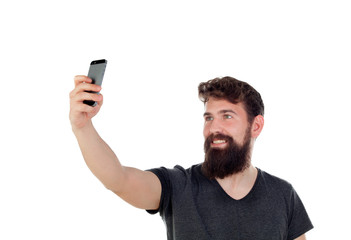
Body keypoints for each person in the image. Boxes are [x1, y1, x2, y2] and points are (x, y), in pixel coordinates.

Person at [69, 75, 313, 240]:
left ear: (256, 126)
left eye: (227, 116)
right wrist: (82, 127)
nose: (213, 128)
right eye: (208, 118)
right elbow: (118, 179)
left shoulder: (283, 195)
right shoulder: (178, 186)